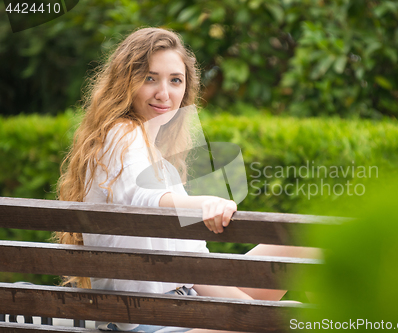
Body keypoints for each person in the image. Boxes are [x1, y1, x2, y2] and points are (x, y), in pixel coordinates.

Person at [55, 27, 319, 333]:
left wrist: (253, 312)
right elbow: (146, 200)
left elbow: (193, 266)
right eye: (150, 78)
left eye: (175, 80)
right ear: (125, 82)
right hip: (148, 321)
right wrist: (204, 202)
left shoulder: (157, 157)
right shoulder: (121, 134)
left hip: (186, 304)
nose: (164, 94)